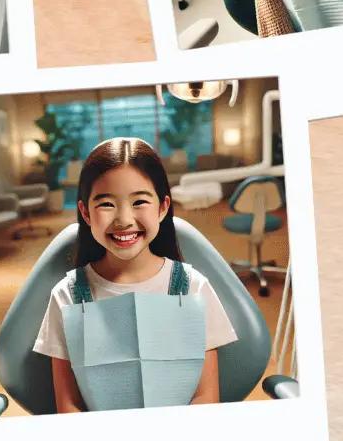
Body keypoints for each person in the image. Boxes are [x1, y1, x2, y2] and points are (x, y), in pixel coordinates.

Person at [33, 138, 237, 412]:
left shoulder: (193, 288)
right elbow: (69, 406)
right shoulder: (67, 296)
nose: (124, 220)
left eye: (139, 201)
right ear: (85, 212)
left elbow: (206, 398)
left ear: (162, 207)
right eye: (106, 204)